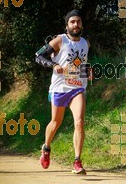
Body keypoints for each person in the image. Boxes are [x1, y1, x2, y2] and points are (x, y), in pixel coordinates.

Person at [35, 10, 92, 174]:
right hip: (60, 88)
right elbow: (38, 56)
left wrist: (87, 69)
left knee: (79, 122)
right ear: (67, 25)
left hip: (78, 87)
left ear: (82, 24)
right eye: (72, 22)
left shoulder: (85, 43)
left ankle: (77, 161)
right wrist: (54, 65)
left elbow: (81, 63)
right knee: (55, 123)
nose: (76, 24)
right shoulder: (60, 40)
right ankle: (46, 148)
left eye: (78, 22)